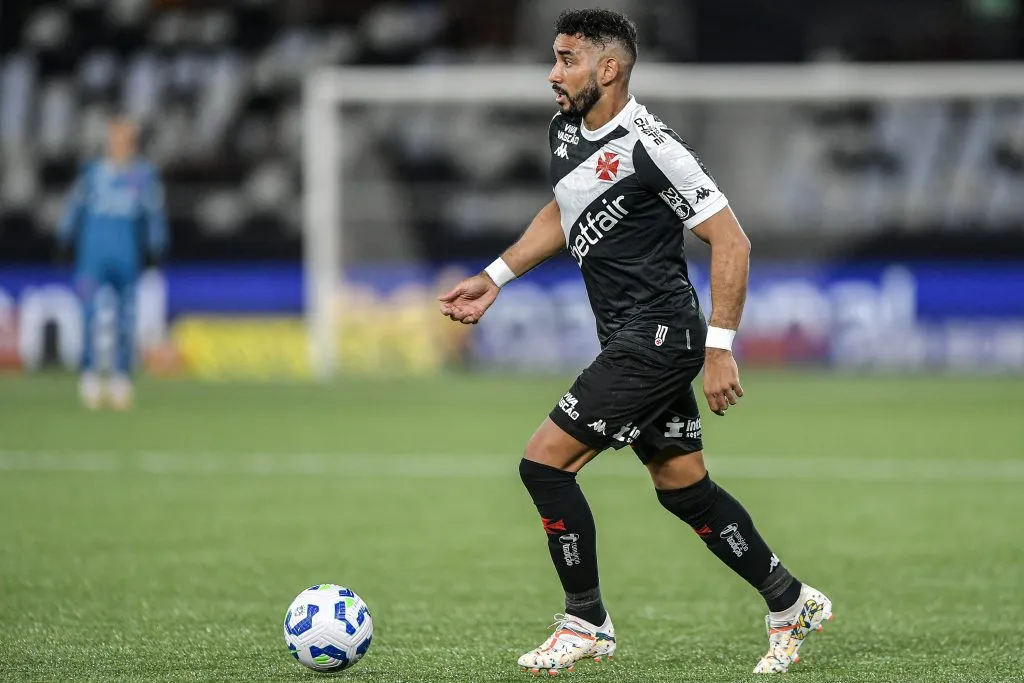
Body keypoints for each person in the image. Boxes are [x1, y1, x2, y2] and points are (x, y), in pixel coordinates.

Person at [439, 8, 832, 676]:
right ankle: (789, 599)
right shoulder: (566, 131)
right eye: (555, 58)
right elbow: (566, 207)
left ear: (609, 67)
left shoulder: (652, 145)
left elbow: (731, 239)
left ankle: (585, 620)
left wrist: (719, 347)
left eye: (567, 59)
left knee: (544, 464)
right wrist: (496, 275)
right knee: (682, 486)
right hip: (630, 333)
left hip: (659, 335)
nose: (553, 74)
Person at [57, 116, 168, 409]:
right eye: (116, 139)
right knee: (89, 315)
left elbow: (153, 214)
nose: (121, 145)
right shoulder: (92, 173)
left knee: (125, 320)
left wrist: (156, 247)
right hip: (92, 258)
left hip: (127, 258)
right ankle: (90, 376)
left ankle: (121, 378)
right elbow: (75, 206)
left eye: (127, 139)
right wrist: (64, 237)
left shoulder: (143, 176)